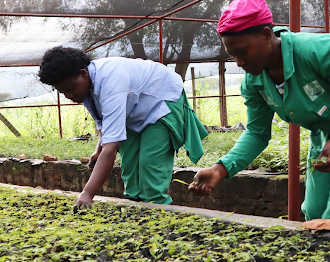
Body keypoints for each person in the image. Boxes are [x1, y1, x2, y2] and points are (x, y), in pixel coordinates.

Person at [190, 0, 330, 230]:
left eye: (242, 52)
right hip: (328, 136)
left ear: (265, 35)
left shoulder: (317, 51)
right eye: (232, 55)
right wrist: (221, 168)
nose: (239, 62)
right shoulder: (254, 82)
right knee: (314, 213)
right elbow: (257, 132)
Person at [38, 47, 208, 207]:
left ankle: (159, 217)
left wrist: (87, 193)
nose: (69, 96)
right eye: (63, 93)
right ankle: (135, 212)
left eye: (71, 89)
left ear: (83, 74)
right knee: (130, 168)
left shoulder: (110, 81)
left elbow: (111, 148)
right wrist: (99, 149)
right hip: (134, 109)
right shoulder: (87, 86)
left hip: (162, 99)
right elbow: (104, 122)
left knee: (150, 167)